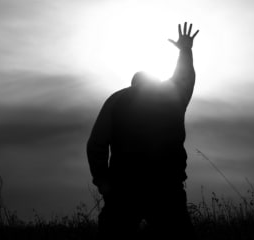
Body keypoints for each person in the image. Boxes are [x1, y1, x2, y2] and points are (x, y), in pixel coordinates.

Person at [87, 22, 199, 239]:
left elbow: (96, 144)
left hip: (124, 187)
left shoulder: (116, 100)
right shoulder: (172, 96)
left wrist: (102, 181)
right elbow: (185, 78)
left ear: (132, 83)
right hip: (166, 186)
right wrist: (185, 50)